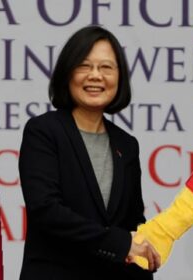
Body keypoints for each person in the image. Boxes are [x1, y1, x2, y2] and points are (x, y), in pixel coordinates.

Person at [18, 26, 160, 280]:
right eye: (84, 66)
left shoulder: (127, 145)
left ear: (119, 77)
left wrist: (143, 252)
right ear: (67, 73)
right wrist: (118, 243)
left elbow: (132, 225)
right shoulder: (44, 131)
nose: (95, 76)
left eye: (106, 67)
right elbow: (46, 210)